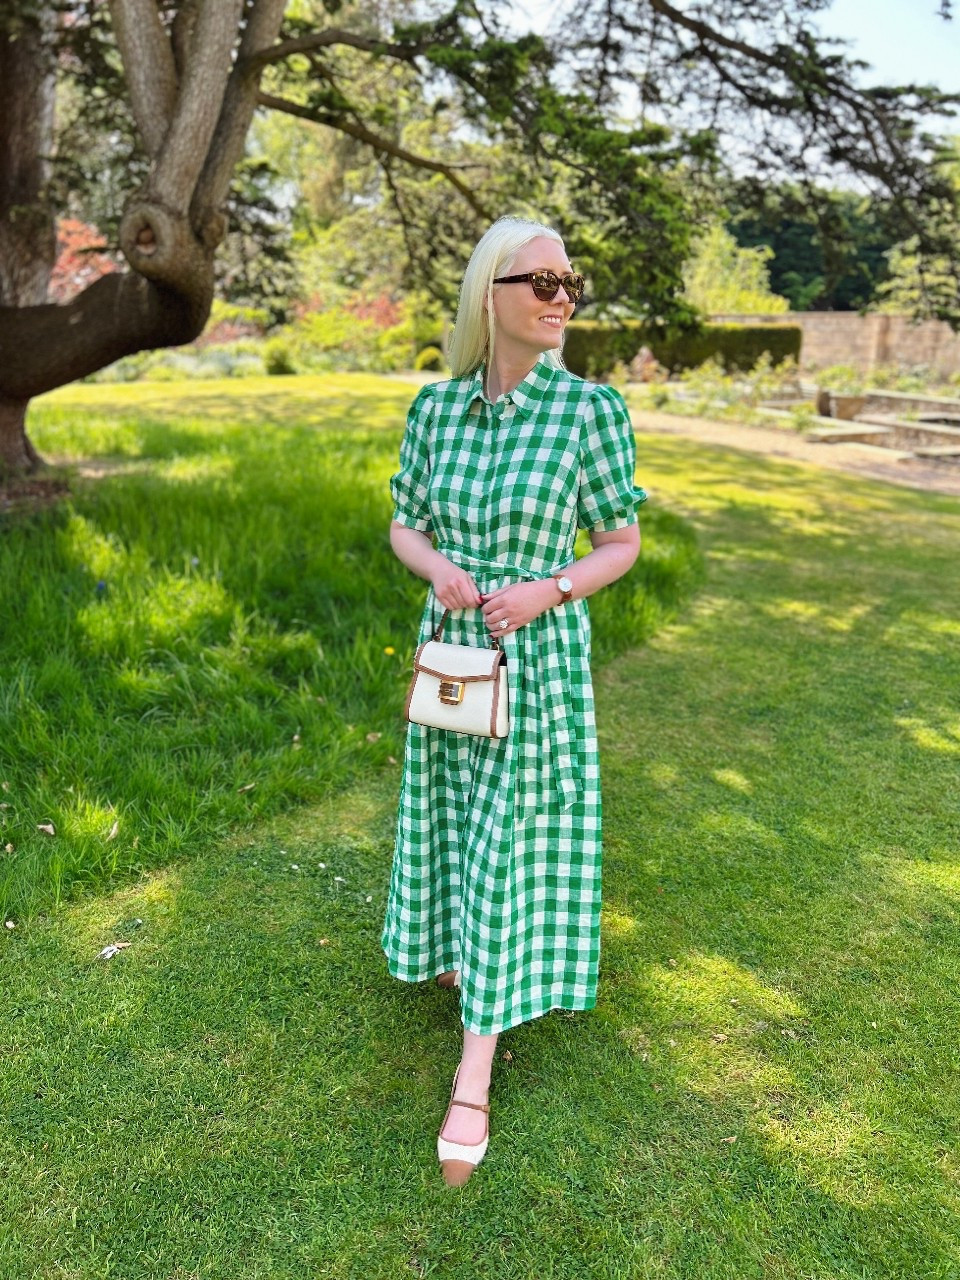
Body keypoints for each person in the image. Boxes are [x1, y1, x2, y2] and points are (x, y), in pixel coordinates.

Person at [380, 215, 648, 1186]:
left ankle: (474, 1067)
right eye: (541, 281)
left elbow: (620, 542)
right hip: (451, 652)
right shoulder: (435, 410)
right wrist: (442, 567)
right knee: (453, 815)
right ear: (490, 294)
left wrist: (551, 588)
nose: (562, 296)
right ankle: (459, 955)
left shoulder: (591, 413)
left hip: (536, 660)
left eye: (571, 280)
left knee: (508, 839)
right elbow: (405, 526)